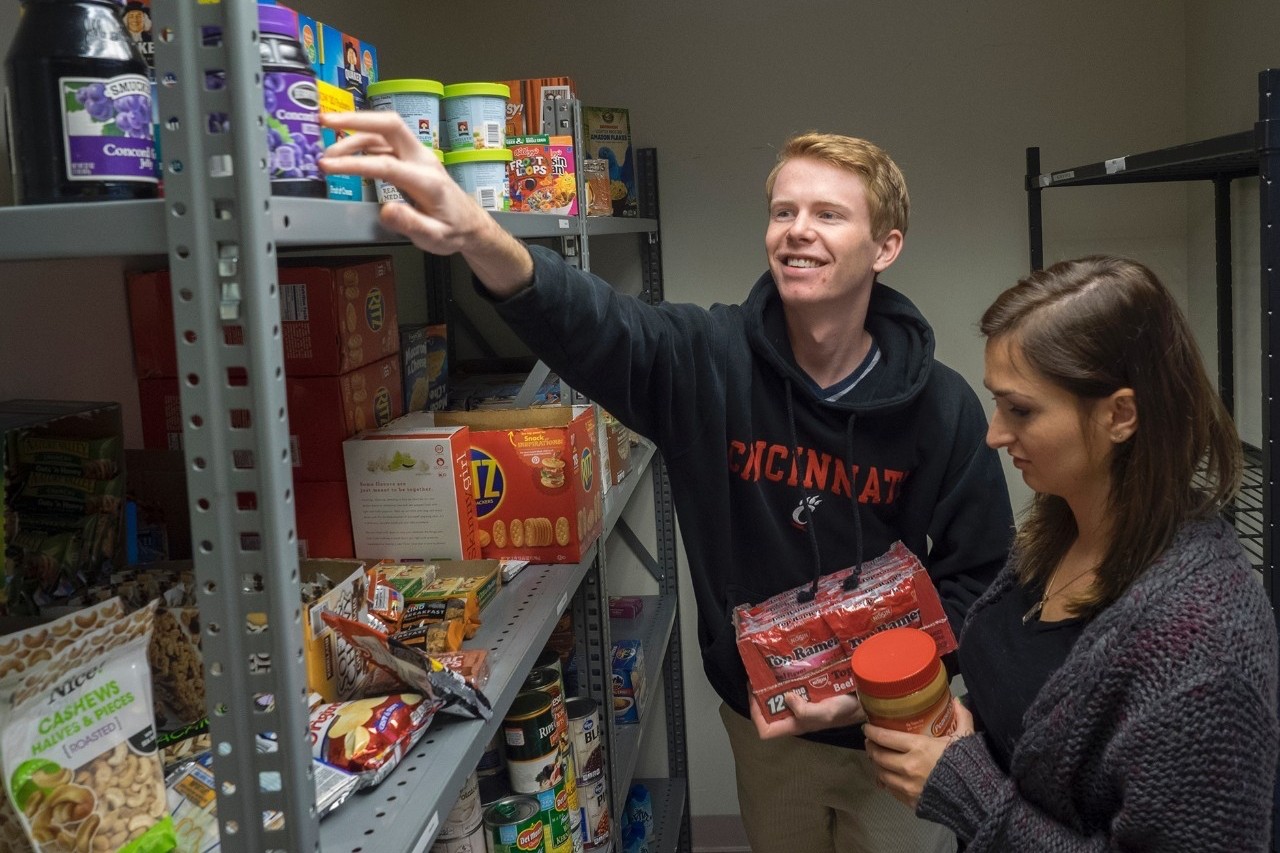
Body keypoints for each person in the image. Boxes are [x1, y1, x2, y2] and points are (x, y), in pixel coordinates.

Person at [318, 111, 1014, 853]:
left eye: (829, 214)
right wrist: (478, 237)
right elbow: (602, 325)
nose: (797, 230)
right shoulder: (708, 361)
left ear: (886, 247)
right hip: (765, 730)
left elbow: (983, 578)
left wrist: (865, 691)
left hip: (896, 726)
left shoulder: (940, 405)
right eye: (784, 211)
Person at [864, 256, 1280, 851]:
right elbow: (1032, 703)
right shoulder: (1058, 524)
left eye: (1021, 409)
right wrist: (965, 725)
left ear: (1120, 414)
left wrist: (960, 781)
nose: (995, 434)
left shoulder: (1204, 645)